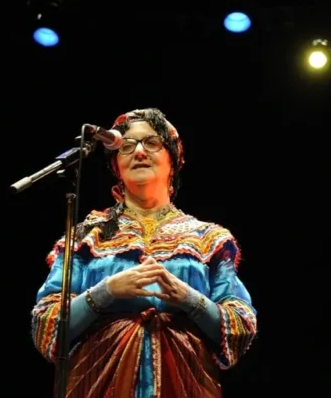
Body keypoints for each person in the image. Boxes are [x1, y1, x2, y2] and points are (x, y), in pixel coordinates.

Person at [30, 108, 257, 397]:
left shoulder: (207, 238)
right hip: (98, 383)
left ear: (173, 159)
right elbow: (47, 326)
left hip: (186, 384)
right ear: (116, 164)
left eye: (151, 143)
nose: (139, 151)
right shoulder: (86, 237)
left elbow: (239, 328)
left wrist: (188, 299)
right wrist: (106, 292)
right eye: (126, 145)